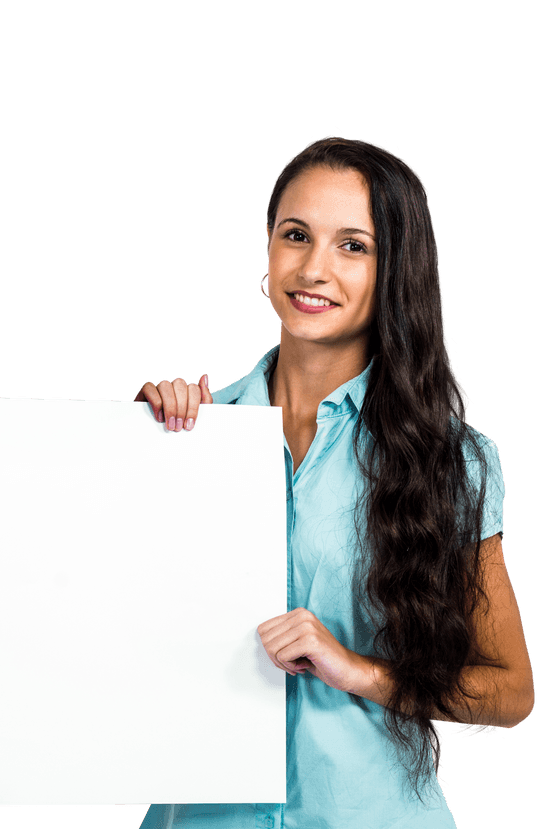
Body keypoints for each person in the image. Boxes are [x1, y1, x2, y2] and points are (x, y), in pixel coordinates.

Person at [134, 137, 533, 827]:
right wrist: (139, 449)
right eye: (296, 235)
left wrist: (358, 670)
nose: (313, 268)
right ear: (267, 247)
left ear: (393, 269)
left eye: (353, 245)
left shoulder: (451, 459)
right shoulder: (189, 436)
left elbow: (511, 690)